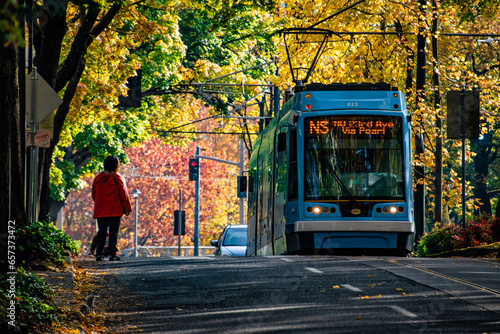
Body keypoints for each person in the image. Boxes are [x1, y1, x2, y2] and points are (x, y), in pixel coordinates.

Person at [92, 155, 132, 261]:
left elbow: (94, 194)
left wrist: (99, 203)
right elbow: (124, 194)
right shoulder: (118, 177)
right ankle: (112, 254)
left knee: (102, 232)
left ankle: (99, 253)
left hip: (100, 210)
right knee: (113, 232)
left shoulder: (98, 178)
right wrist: (127, 208)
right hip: (114, 209)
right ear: (116, 165)